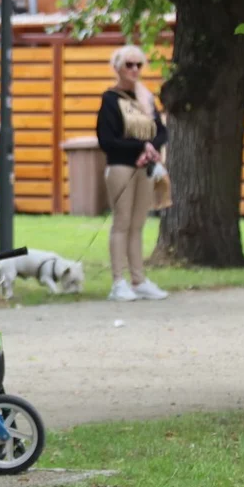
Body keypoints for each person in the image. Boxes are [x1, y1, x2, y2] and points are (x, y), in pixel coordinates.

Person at [96, 45, 169, 302]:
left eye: (139, 65)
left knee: (138, 223)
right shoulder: (110, 99)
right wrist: (141, 146)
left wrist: (151, 148)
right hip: (121, 167)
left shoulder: (146, 97)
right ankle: (118, 281)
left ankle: (138, 279)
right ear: (117, 67)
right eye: (129, 64)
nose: (135, 70)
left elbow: (161, 131)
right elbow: (107, 139)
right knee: (122, 221)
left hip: (145, 167)